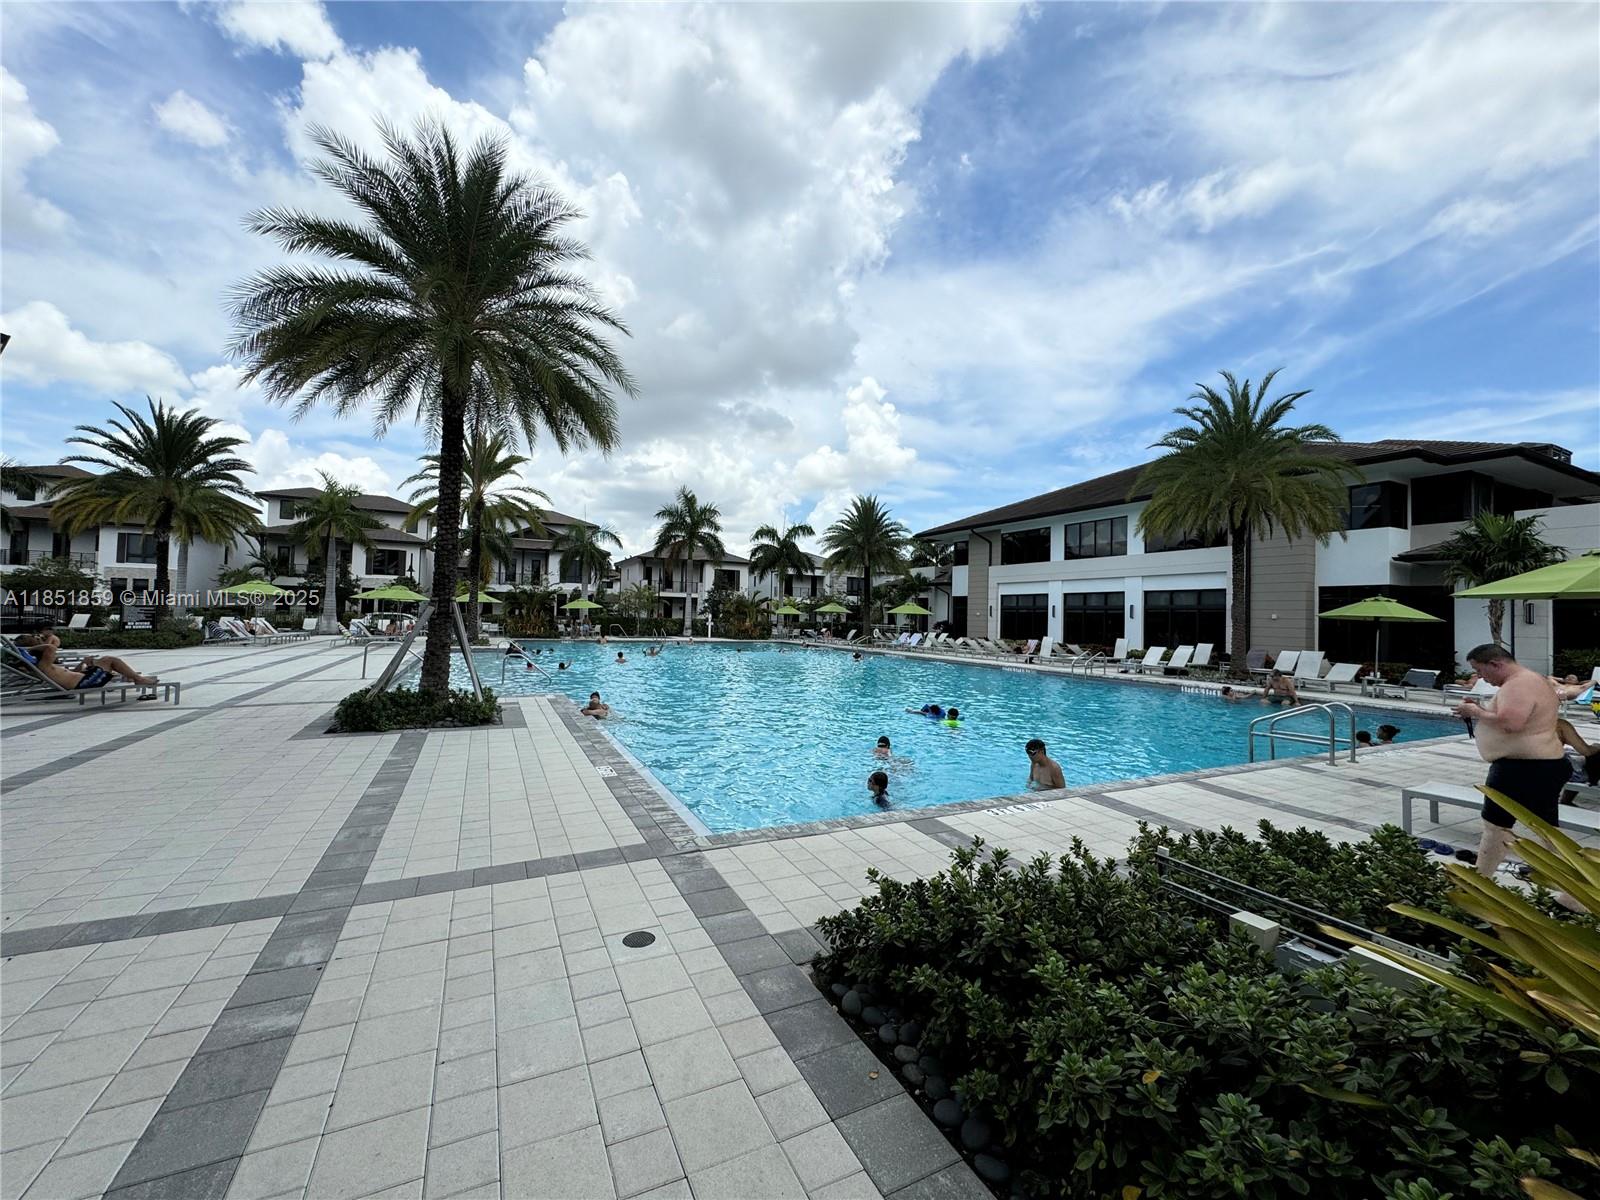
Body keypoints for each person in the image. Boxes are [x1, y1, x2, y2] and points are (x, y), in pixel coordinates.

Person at [1453, 643, 1575, 888]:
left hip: (1523, 768)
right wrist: (1480, 711)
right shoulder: (1532, 679)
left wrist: (1475, 711)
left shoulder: (1518, 684)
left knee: (1496, 827)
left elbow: (1511, 723)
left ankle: (1479, 885)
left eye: (1480, 670)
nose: (1481, 678)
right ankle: (1572, 892)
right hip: (1541, 765)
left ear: (1495, 664)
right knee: (1547, 829)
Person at [12, 633, 159, 690]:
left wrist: (83, 663)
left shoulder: (44, 665)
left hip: (83, 679)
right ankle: (138, 679)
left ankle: (134, 677)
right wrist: (27, 648)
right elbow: (51, 647)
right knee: (110, 660)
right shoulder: (42, 665)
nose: (39, 638)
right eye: (36, 639)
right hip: (85, 683)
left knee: (105, 660)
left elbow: (70, 674)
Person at [1557, 718, 1600, 790]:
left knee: (1580, 761)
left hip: (1538, 767)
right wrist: (1597, 746)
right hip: (1556, 768)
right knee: (1594, 757)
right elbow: (1586, 751)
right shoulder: (1559, 725)